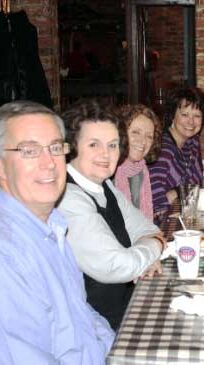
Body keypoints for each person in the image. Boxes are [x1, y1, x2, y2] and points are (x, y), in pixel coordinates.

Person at [0, 101, 114, 364]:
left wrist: (120, 352)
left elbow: (83, 315)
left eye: (54, 148)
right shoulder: (8, 254)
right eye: (29, 151)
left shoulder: (52, 226)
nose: (48, 163)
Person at [58, 99, 164, 330]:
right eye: (94, 145)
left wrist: (147, 247)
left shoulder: (104, 185)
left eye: (113, 145)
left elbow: (147, 228)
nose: (105, 154)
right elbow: (117, 265)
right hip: (95, 330)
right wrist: (154, 247)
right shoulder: (68, 197)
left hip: (127, 310)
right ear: (72, 146)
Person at [149, 86, 204, 223]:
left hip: (180, 214)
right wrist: (181, 191)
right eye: (185, 114)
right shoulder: (163, 148)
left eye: (197, 116)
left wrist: (176, 192)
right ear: (172, 116)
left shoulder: (191, 143)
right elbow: (155, 201)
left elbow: (196, 184)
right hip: (158, 222)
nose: (191, 122)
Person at [114, 104, 163, 220]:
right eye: (136, 132)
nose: (142, 141)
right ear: (121, 133)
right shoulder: (108, 171)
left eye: (149, 136)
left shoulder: (140, 169)